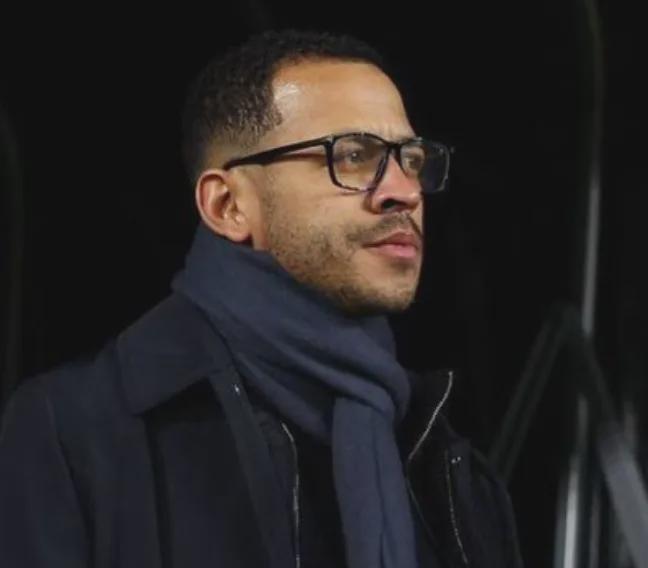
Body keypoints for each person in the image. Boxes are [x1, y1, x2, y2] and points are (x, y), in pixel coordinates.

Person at [0, 29, 523, 568]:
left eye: (410, 159)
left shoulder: (449, 465)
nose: (405, 192)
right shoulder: (76, 433)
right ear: (226, 205)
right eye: (353, 155)